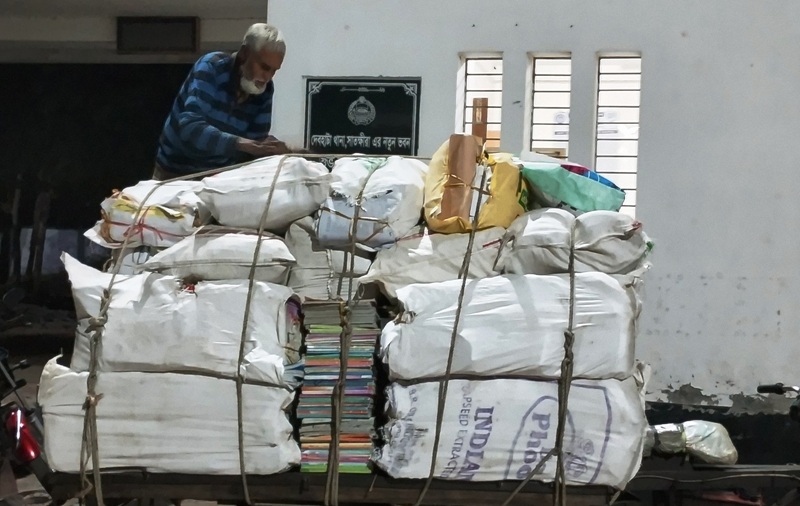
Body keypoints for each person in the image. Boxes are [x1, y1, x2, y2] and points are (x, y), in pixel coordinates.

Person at [153, 23, 298, 180]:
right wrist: (242, 144)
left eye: (274, 71)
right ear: (244, 53)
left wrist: (283, 152)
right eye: (264, 67)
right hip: (173, 174)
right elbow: (190, 128)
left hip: (216, 179)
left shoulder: (265, 91)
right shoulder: (211, 67)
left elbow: (255, 145)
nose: (267, 77)